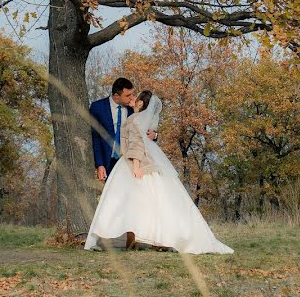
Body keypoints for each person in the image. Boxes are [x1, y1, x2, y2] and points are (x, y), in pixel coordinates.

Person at [84, 91, 233, 254]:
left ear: (140, 104)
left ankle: (132, 238)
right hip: (149, 161)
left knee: (128, 201)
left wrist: (136, 166)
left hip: (135, 162)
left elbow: (137, 144)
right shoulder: (141, 119)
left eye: (136, 97)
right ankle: (151, 239)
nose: (132, 99)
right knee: (150, 202)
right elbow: (146, 137)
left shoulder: (133, 120)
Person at [89, 77, 135, 182]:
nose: (131, 98)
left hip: (129, 162)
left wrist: (154, 135)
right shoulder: (98, 107)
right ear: (116, 96)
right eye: (128, 95)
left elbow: (144, 130)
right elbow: (95, 138)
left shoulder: (133, 109)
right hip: (108, 162)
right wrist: (99, 164)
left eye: (132, 94)